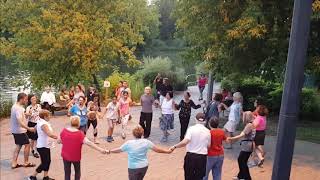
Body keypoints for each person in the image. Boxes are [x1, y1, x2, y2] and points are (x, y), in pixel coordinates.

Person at [108, 125, 172, 180]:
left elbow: (118, 150)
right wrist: (167, 151)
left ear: (133, 134)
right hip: (144, 166)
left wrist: (109, 151)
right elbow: (157, 150)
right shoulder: (146, 142)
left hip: (133, 168)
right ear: (142, 134)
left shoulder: (129, 143)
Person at [59, 116, 107, 180]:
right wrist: (100, 149)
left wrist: (66, 142)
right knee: (77, 172)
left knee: (67, 172)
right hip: (75, 157)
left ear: (70, 123)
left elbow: (59, 141)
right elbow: (89, 143)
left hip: (65, 155)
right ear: (79, 124)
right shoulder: (80, 134)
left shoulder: (64, 131)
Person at [170, 113, 211, 180]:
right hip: (202, 157)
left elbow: (185, 142)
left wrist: (175, 146)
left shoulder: (191, 129)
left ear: (195, 119)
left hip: (191, 156)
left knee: (188, 176)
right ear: (205, 121)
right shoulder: (208, 131)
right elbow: (208, 146)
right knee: (199, 177)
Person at [28, 110, 58, 180]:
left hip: (46, 145)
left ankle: (45, 176)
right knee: (44, 163)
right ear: (45, 116)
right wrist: (59, 137)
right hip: (42, 146)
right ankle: (32, 176)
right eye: (49, 115)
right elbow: (49, 134)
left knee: (48, 161)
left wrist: (27, 128)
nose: (50, 116)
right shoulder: (43, 124)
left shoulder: (40, 121)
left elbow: (33, 129)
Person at [10, 92, 36, 169]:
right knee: (27, 145)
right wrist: (29, 128)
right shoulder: (18, 108)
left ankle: (14, 163)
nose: (27, 101)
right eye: (25, 99)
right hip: (20, 131)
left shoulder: (15, 106)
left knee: (18, 145)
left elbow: (19, 116)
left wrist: (26, 114)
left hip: (15, 130)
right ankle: (26, 162)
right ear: (21, 99)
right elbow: (20, 122)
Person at [228, 111, 256, 180]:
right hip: (248, 145)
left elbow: (242, 135)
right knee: (242, 160)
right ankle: (241, 176)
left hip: (247, 146)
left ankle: (247, 178)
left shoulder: (249, 125)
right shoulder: (251, 124)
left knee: (242, 161)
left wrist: (231, 138)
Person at [25, 94, 41, 158]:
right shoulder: (28, 107)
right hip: (31, 124)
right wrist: (29, 114)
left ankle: (35, 150)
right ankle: (34, 151)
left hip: (38, 123)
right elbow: (26, 116)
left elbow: (40, 113)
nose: (34, 99)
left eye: (35, 98)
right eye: (32, 99)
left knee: (37, 138)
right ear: (30, 100)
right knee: (33, 139)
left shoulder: (39, 105)